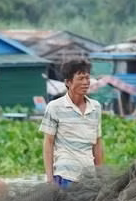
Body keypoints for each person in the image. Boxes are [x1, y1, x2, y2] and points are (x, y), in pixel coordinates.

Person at [40, 59, 105, 188]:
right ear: (68, 82)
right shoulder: (55, 107)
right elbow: (48, 143)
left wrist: (100, 175)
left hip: (89, 177)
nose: (86, 82)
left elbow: (97, 144)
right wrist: (49, 178)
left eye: (87, 78)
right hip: (65, 176)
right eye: (81, 78)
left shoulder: (95, 107)